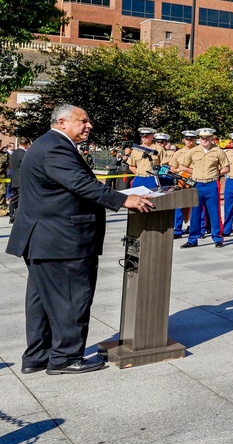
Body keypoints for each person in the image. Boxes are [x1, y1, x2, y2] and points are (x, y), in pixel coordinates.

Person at [7, 104, 154, 375]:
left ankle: (37, 356)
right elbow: (80, 183)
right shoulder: (55, 146)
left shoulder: (48, 144)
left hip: (46, 238)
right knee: (71, 298)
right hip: (61, 239)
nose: (88, 126)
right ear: (62, 122)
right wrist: (125, 199)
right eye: (82, 121)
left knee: (42, 300)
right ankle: (65, 358)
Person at [179, 128, 230, 249]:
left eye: (207, 138)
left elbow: (226, 168)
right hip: (197, 184)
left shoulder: (218, 151)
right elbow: (182, 166)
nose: (205, 140)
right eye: (202, 138)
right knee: (195, 213)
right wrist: (194, 172)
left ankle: (217, 238)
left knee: (214, 212)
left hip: (211, 184)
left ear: (212, 138)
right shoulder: (194, 151)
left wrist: (215, 173)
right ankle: (192, 239)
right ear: (199, 139)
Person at [170, 130, 199, 238]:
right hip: (183, 181)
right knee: (179, 205)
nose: (189, 141)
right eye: (187, 139)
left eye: (191, 139)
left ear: (195, 140)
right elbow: (173, 168)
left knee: (196, 206)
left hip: (197, 180)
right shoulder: (178, 153)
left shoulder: (200, 152)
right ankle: (177, 230)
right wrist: (180, 172)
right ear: (183, 140)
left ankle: (196, 229)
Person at [8, 137, 29, 222]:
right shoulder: (24, 154)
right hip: (22, 179)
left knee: (14, 198)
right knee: (22, 198)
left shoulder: (13, 154)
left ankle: (11, 214)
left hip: (14, 179)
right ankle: (16, 215)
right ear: (27, 144)